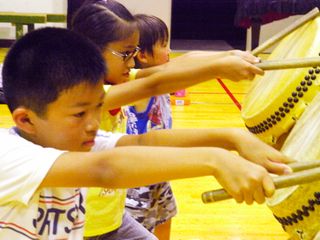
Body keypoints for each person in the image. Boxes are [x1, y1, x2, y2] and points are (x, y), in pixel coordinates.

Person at [0, 27, 293, 239]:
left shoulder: (78, 140)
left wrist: (231, 138)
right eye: (80, 114)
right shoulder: (10, 156)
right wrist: (215, 160)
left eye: (98, 108)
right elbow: (107, 169)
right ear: (26, 120)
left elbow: (143, 141)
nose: (93, 123)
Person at [70, 1, 266, 239]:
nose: (132, 63)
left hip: (113, 219)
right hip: (83, 228)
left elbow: (167, 70)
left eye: (133, 54)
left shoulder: (117, 79)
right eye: (125, 54)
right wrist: (216, 69)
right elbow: (155, 84)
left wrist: (226, 55)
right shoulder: (86, 96)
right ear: (90, 51)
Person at [125, 14, 176, 240]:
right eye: (164, 45)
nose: (170, 51)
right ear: (143, 55)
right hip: (137, 185)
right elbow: (184, 67)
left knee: (165, 219)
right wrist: (220, 62)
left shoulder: (163, 85)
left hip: (160, 175)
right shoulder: (139, 86)